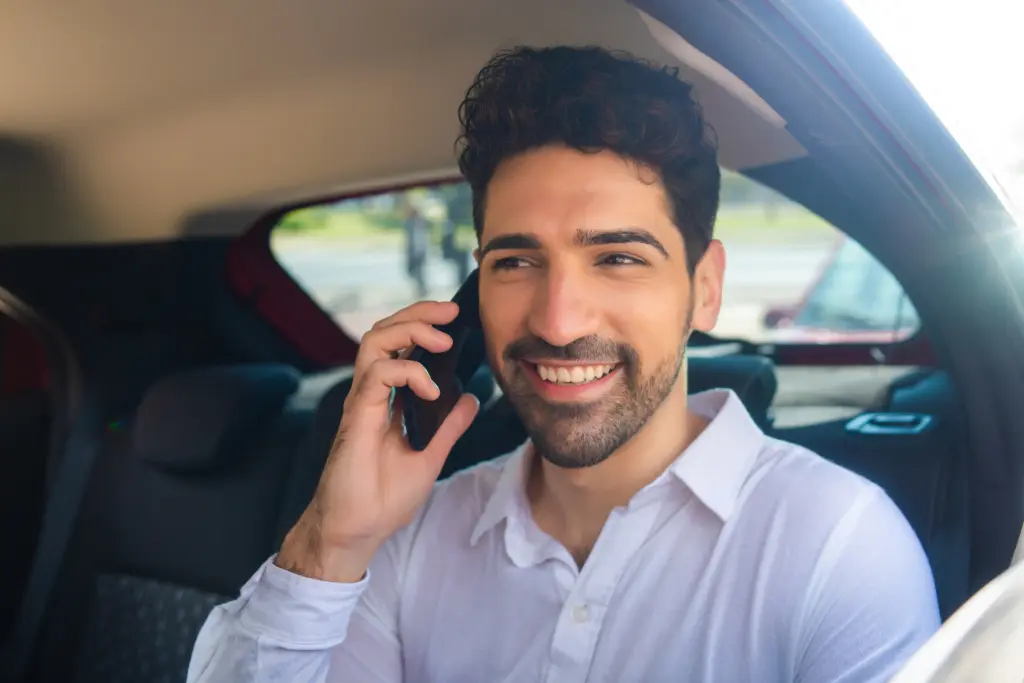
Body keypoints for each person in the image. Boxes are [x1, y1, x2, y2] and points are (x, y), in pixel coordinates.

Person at [188, 46, 940, 682]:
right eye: (516, 261)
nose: (556, 319)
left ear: (704, 288)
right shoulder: (411, 541)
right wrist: (333, 539)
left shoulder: (837, 547)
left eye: (617, 257)